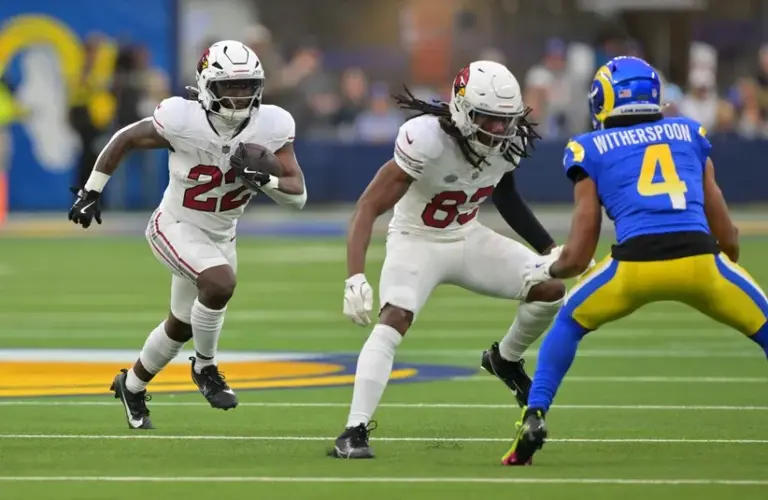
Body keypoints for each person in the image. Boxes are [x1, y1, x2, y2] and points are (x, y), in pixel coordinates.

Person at [503, 56, 768, 465]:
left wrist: (547, 269)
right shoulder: (688, 133)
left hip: (633, 267)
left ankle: (534, 414)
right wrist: (721, 274)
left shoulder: (589, 147)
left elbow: (578, 252)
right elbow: (727, 231)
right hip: (700, 260)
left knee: (569, 322)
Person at [333, 60, 568, 459]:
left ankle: (505, 360)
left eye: (503, 121)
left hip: (467, 236)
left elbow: (505, 195)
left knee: (549, 289)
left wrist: (548, 249)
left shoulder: (509, 141)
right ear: (462, 109)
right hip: (416, 239)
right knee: (394, 320)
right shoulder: (424, 139)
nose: (497, 130)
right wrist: (355, 276)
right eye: (487, 119)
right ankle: (353, 430)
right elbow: (368, 207)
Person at [67, 40, 307, 429]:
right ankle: (206, 367)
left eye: (247, 85)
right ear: (207, 85)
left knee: (181, 324)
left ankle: (131, 385)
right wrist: (91, 191)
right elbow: (125, 137)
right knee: (219, 283)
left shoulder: (273, 123)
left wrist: (267, 180)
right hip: (175, 225)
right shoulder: (182, 118)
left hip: (221, 234)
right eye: (230, 86)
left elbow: (298, 196)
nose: (240, 95)